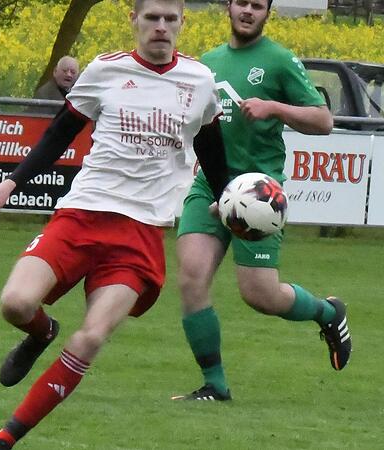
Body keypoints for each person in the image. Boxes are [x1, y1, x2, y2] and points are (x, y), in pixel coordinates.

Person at [0, 1, 229, 447]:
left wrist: (226, 197)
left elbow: (210, 145)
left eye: (171, 19)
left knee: (91, 336)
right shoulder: (104, 70)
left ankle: (5, 438)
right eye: (152, 18)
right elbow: (59, 133)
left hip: (141, 235)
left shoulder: (200, 81)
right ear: (134, 21)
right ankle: (41, 332)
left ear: (183, 24)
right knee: (15, 303)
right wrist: (10, 184)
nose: (161, 27)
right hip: (82, 216)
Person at [172, 0, 347, 402]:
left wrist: (274, 108)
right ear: (228, 7)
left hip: (258, 193)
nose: (247, 11)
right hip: (210, 183)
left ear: (267, 13)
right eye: (241, 3)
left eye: (257, 5)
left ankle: (327, 312)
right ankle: (214, 385)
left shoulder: (280, 60)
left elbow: (323, 121)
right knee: (191, 277)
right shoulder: (208, 63)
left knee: (260, 295)